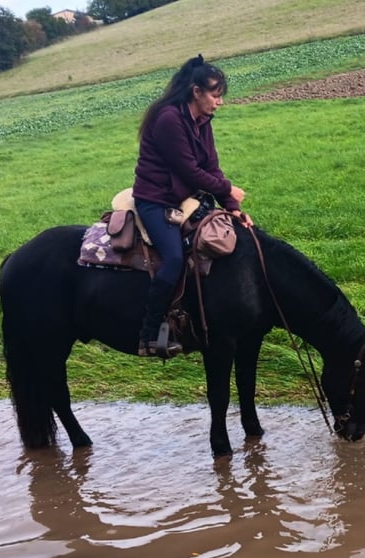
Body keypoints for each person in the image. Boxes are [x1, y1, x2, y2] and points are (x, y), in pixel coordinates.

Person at [132, 54, 253, 358]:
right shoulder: (168, 119)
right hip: (155, 199)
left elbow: (211, 167)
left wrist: (232, 206)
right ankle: (149, 334)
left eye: (221, 96)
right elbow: (189, 170)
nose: (219, 102)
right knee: (173, 258)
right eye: (215, 95)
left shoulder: (203, 121)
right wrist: (228, 189)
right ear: (196, 92)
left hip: (183, 199)